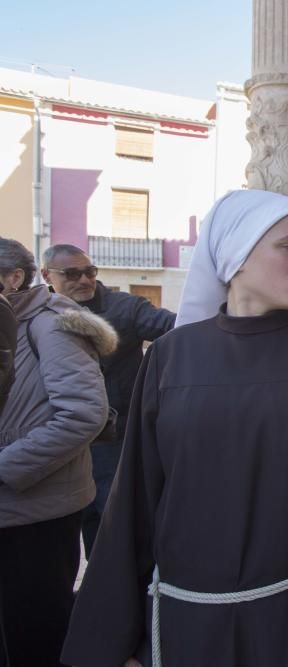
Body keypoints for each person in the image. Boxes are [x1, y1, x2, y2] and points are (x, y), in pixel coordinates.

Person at [62, 190, 288, 667]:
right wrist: (118, 637)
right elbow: (137, 498)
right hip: (191, 621)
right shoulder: (172, 357)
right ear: (237, 255)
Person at [0, 237, 115, 667]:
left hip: (37, 515)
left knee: (36, 634)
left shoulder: (52, 324)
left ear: (14, 278)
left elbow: (84, 414)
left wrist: (4, 466)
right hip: (12, 510)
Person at [42, 243, 176, 556]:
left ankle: (114, 595)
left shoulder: (125, 308)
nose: (84, 280)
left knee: (111, 523)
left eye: (90, 271)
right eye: (72, 274)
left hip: (113, 440)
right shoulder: (41, 314)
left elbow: (175, 329)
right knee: (69, 526)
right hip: (59, 439)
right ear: (47, 275)